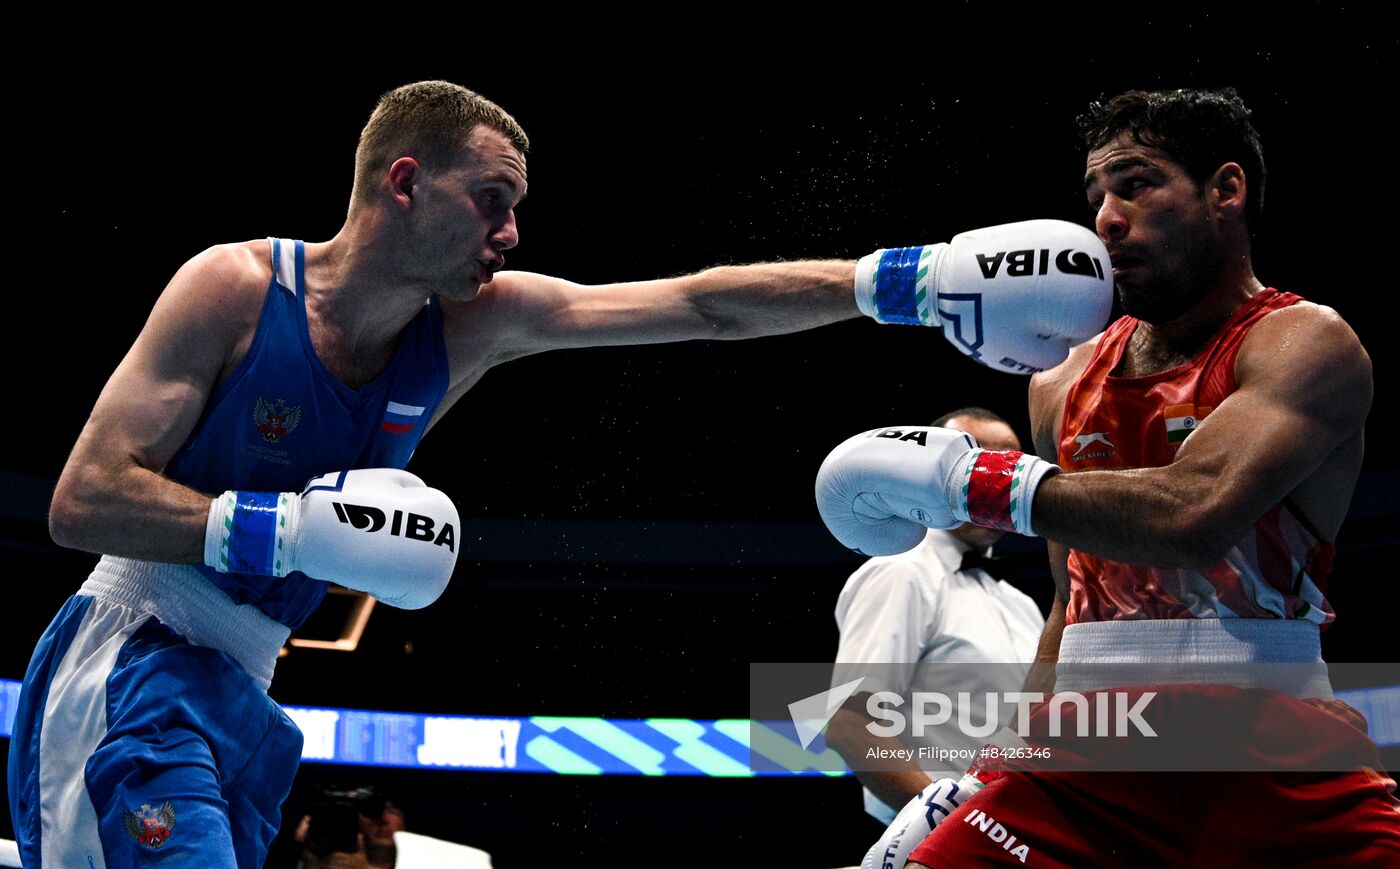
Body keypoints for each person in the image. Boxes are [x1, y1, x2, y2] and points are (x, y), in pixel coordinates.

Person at [7, 80, 1112, 867]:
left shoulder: (473, 326)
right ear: (404, 181)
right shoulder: (237, 289)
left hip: (248, 682)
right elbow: (84, 498)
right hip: (134, 653)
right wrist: (285, 534)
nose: (510, 229)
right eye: (490, 199)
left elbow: (695, 304)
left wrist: (894, 282)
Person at [817, 88, 1400, 865]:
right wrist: (1008, 760)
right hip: (1084, 758)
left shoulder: (1304, 344)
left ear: (1226, 189)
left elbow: (1196, 512)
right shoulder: (1062, 377)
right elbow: (1073, 596)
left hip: (1272, 751)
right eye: (1096, 195)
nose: (1105, 219)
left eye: (1135, 183)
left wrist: (973, 482)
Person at [826, 408, 1043, 824]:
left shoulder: (1020, 603)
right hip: (926, 845)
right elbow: (852, 724)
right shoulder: (901, 571)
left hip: (1009, 840)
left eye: (1008, 471)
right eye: (979, 467)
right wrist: (948, 827)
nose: (994, 486)